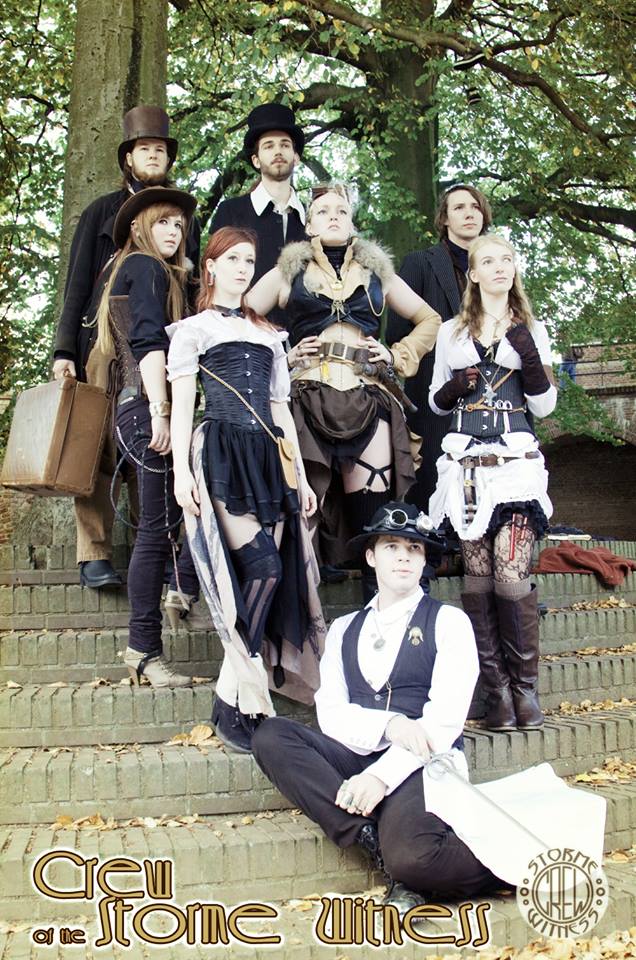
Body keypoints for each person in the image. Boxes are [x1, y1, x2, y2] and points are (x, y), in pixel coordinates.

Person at [252, 501, 501, 914]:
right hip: (356, 752)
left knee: (415, 860)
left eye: (414, 549)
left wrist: (380, 778)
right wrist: (391, 724)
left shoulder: (449, 622)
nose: (404, 557)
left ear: (424, 561)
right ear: (371, 557)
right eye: (391, 547)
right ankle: (371, 839)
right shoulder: (344, 629)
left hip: (422, 762)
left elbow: (443, 723)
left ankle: (507, 864)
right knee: (271, 736)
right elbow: (331, 712)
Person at [167, 226, 326, 754]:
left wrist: (301, 477)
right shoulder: (192, 330)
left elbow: (281, 411)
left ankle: (230, 700)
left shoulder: (271, 335)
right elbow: (184, 406)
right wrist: (181, 474)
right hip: (223, 454)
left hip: (268, 458)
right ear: (210, 267)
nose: (242, 268)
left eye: (249, 261)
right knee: (263, 568)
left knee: (271, 575)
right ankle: (237, 697)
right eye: (232, 259)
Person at [246, 184, 441, 596]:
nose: (333, 216)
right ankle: (307, 622)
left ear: (352, 222)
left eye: (341, 210)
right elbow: (239, 318)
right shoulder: (287, 272)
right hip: (305, 398)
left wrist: (396, 354)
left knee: (374, 511)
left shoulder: (379, 274)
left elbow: (430, 319)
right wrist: (283, 356)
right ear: (308, 224)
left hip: (367, 396)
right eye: (322, 211)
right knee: (303, 506)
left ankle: (380, 613)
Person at [52, 105, 201, 589]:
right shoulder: (101, 211)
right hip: (103, 344)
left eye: (160, 149)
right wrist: (64, 350)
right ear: (129, 159)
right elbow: (77, 284)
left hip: (162, 343)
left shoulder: (183, 216)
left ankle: (151, 547)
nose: (153, 155)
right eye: (144, 148)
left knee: (157, 441)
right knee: (94, 445)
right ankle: (93, 552)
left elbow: (192, 284)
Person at [428, 234, 557, 731]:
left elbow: (545, 405)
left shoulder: (531, 328)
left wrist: (529, 356)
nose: (500, 267)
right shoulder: (451, 332)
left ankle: (526, 690)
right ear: (474, 273)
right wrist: (453, 387)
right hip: (466, 466)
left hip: (516, 464)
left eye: (507, 259)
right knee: (477, 575)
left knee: (510, 570)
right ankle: (497, 692)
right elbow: (436, 402)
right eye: (489, 260)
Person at [95, 186, 198, 687]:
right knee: (156, 528)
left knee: (168, 519)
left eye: (178, 225)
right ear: (138, 227)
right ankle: (143, 649)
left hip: (137, 406)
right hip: (147, 407)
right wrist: (161, 411)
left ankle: (181, 588)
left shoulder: (138, 271)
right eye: (163, 222)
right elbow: (148, 344)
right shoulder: (146, 266)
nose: (173, 232)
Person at [386, 184, 492, 512]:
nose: (469, 213)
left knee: (491, 490)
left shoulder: (499, 266)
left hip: (493, 395)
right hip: (433, 394)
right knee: (434, 488)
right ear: (444, 219)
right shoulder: (419, 263)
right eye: (459, 207)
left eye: (475, 206)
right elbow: (397, 332)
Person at [211, 102, 306, 292]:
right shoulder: (230, 211)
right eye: (269, 146)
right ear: (256, 160)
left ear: (296, 157)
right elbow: (214, 280)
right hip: (243, 311)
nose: (278, 151)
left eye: (285, 145)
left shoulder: (313, 216)